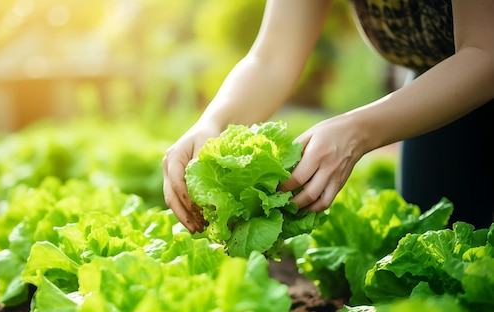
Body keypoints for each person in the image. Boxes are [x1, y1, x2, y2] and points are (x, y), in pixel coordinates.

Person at [162, 0, 494, 234]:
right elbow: (273, 58)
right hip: (440, 89)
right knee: (443, 253)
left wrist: (357, 130)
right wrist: (211, 124)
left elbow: (486, 53)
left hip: (474, 77)